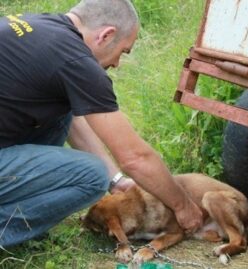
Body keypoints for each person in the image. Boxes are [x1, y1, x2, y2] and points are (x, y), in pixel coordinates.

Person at [0, 0, 203, 248]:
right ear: (107, 35)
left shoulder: (40, 25)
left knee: (63, 110)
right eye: (123, 52)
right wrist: (182, 205)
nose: (117, 64)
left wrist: (115, 180)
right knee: (92, 176)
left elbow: (74, 120)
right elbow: (135, 157)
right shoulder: (77, 62)